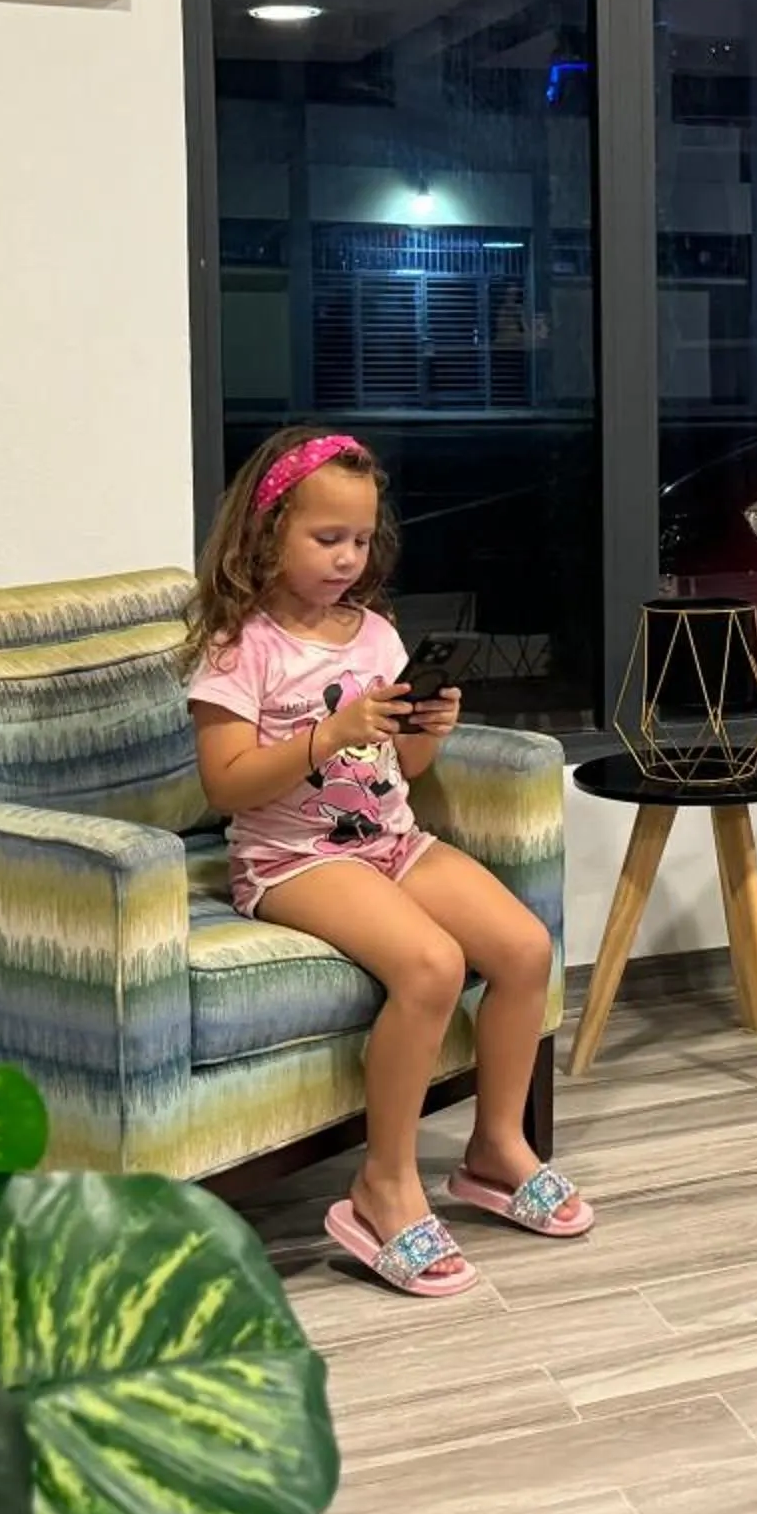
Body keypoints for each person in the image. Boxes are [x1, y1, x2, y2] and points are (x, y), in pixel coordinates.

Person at [182, 427, 591, 1298]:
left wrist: (424, 736)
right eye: (326, 538)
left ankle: (496, 1149)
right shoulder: (239, 646)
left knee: (523, 949)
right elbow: (225, 787)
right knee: (432, 965)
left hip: (392, 840)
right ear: (267, 533)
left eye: (361, 540)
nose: (346, 558)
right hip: (291, 859)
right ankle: (383, 1184)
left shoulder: (374, 632)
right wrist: (326, 734)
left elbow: (400, 772)